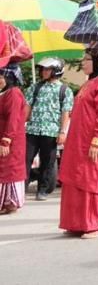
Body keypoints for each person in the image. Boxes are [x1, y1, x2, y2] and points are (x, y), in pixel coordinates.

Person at [58, 43, 98, 239]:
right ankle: (76, 222)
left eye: (86, 59)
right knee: (77, 179)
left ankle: (96, 224)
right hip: (79, 140)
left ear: (97, 62)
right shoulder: (88, 83)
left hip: (95, 140)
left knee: (94, 179)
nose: (83, 63)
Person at [24, 57, 74, 201]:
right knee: (25, 160)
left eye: (47, 69)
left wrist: (63, 132)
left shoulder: (65, 90)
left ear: (56, 71)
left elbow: (65, 113)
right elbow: (27, 108)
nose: (43, 72)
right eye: (43, 69)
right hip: (32, 130)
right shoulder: (35, 87)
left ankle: (43, 190)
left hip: (51, 131)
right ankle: (22, 189)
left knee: (48, 162)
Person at [0, 65, 27, 215]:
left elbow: (14, 118)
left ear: (10, 78)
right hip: (4, 136)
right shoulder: (4, 93)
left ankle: (10, 202)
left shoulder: (14, 93)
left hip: (11, 139)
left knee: (9, 170)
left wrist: (6, 140)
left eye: (2, 77)